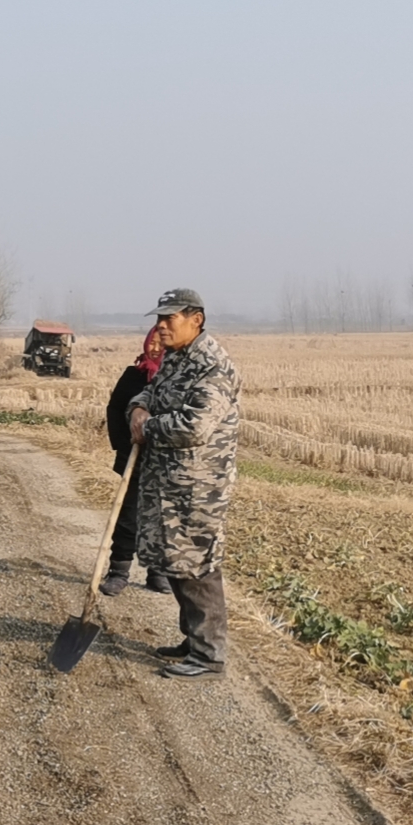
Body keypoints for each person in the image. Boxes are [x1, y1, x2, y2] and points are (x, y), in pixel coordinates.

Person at [128, 289, 241, 681]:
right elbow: (154, 392)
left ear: (196, 319)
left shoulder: (213, 367)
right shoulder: (177, 357)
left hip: (198, 488)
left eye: (170, 318)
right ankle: (194, 641)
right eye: (159, 318)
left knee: (197, 566)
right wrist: (138, 407)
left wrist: (148, 426)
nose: (161, 326)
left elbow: (196, 426)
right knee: (176, 563)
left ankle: (209, 656)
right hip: (168, 482)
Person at [100, 325, 171, 596]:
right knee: (128, 515)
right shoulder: (133, 376)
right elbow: (115, 408)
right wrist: (124, 441)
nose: (154, 348)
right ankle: (118, 572)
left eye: (160, 343)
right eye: (151, 342)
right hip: (135, 457)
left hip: (164, 461)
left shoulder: (174, 378)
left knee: (162, 518)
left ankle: (157, 573)